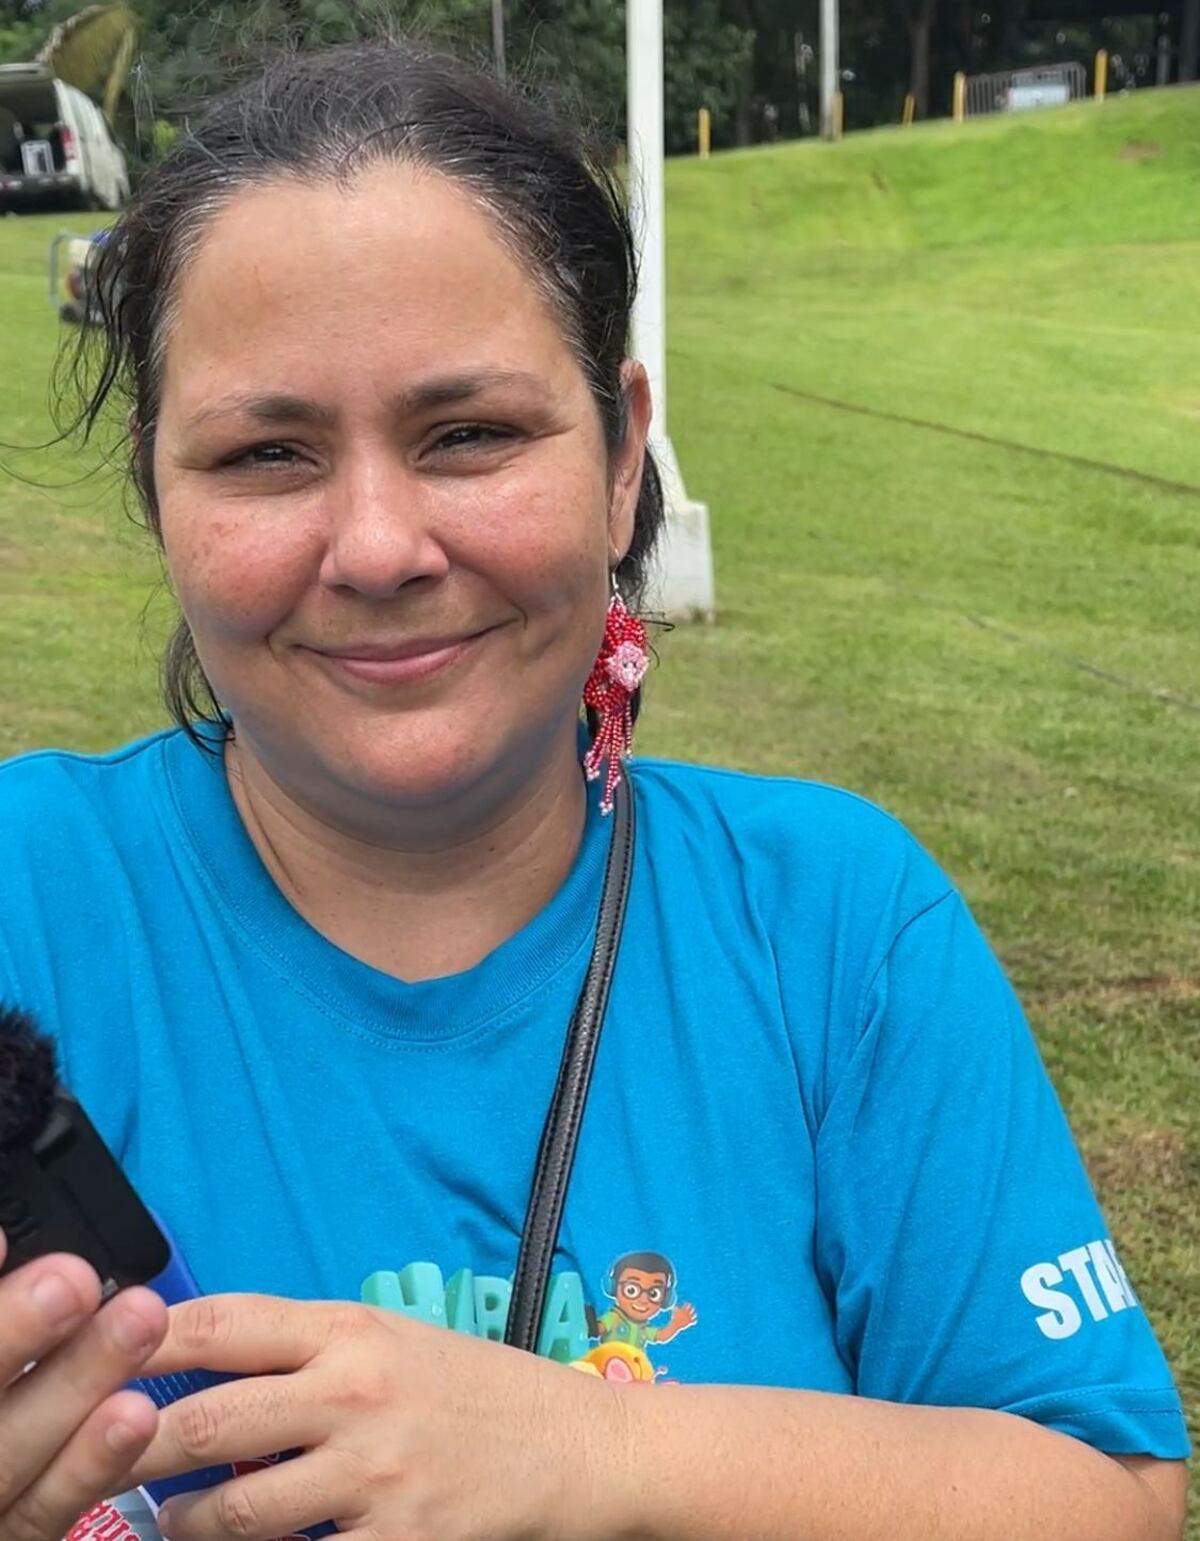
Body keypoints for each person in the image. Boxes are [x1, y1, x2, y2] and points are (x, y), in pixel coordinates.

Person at [0, 38, 1188, 1541]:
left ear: (627, 453)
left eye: (471, 434)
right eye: (268, 452)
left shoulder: (835, 925)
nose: (377, 545)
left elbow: (1111, 1500)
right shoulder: (25, 900)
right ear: (157, 495)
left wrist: (587, 1450)